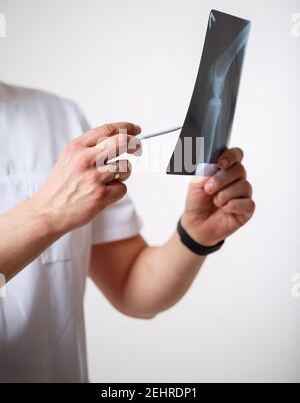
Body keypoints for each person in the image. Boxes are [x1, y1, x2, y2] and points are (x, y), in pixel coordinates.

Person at [0, 81, 255, 382]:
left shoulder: (57, 115)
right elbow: (47, 213)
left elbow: (131, 286)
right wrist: (46, 214)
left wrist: (195, 234)